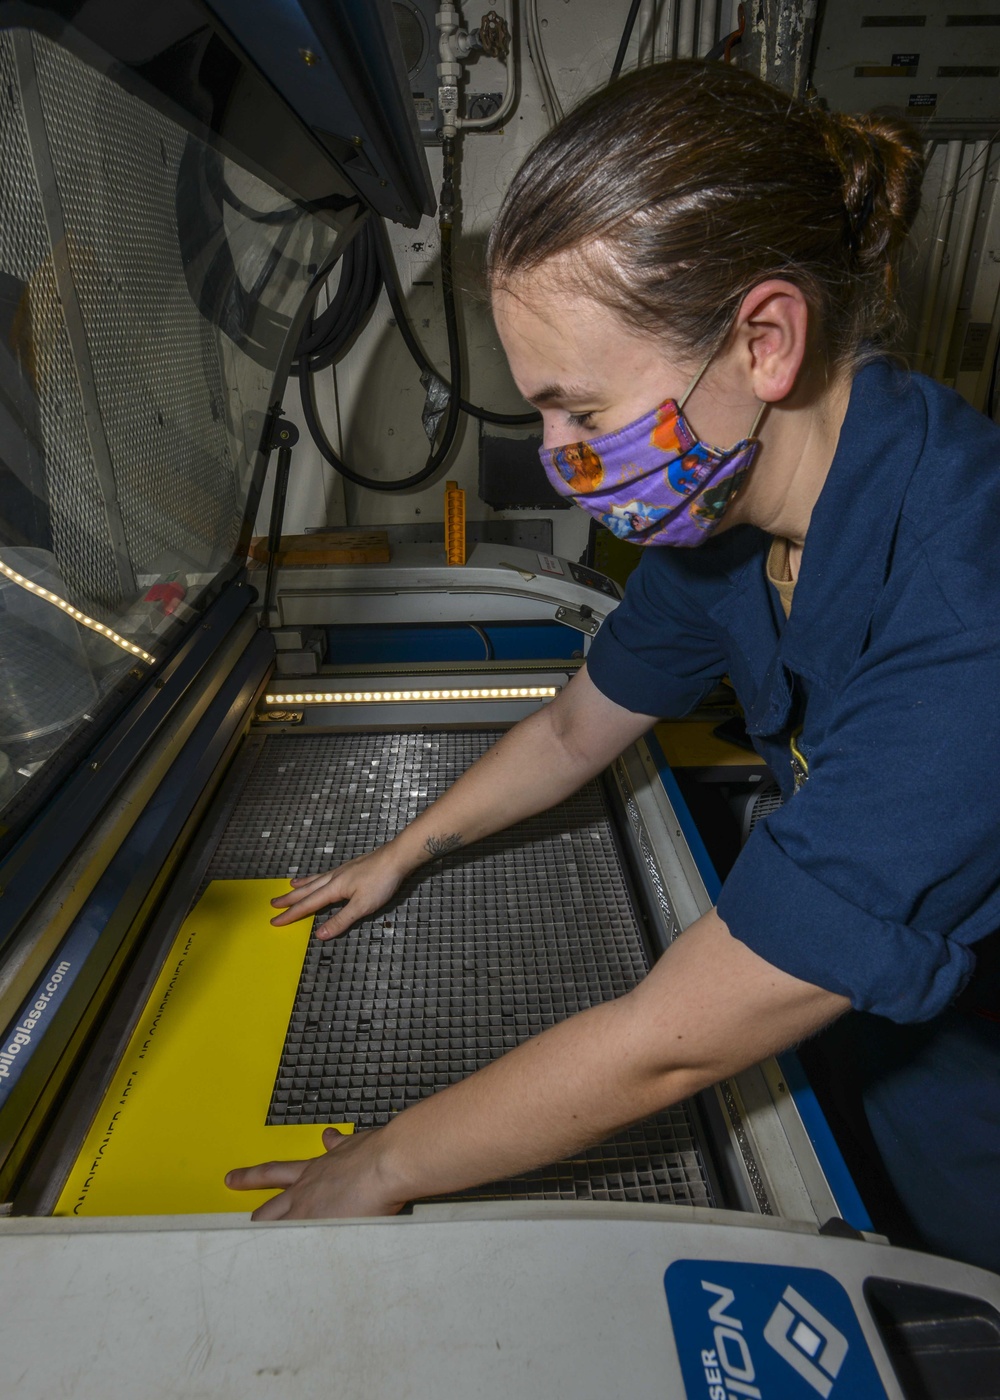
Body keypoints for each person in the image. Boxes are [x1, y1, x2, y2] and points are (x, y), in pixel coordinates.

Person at [226, 60, 1000, 1273]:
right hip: (846, 1035)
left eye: (580, 412)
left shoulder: (971, 595)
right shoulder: (728, 521)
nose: (556, 456)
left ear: (763, 340)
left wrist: (378, 1162)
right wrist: (405, 846)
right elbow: (576, 729)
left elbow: (671, 1041)